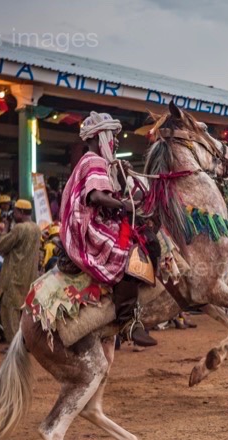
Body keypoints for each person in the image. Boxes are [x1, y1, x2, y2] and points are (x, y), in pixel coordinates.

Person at [59, 111, 157, 347]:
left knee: (144, 235)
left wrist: (121, 176)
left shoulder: (96, 161)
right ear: (101, 136)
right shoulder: (93, 160)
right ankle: (127, 322)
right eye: (113, 135)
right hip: (87, 227)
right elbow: (96, 196)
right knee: (128, 252)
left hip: (92, 220)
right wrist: (124, 205)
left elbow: (109, 193)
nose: (117, 140)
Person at [0, 199, 41, 342]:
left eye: (15, 211)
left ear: (21, 212)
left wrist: (4, 229)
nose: (13, 213)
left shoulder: (20, 228)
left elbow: (2, 246)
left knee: (10, 312)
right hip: (29, 278)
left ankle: (14, 346)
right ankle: (25, 343)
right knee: (24, 312)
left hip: (14, 277)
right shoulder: (36, 228)